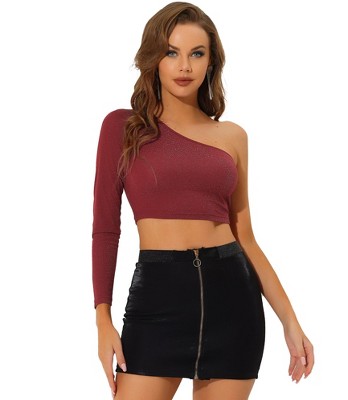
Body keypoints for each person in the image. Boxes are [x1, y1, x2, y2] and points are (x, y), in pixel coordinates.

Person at [92, 2, 314, 399]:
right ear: (154, 58)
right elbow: (106, 230)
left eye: (197, 53)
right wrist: (102, 318)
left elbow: (246, 238)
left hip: (233, 302)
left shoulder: (232, 137)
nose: (184, 66)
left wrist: (290, 320)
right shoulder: (122, 128)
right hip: (157, 300)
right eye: (171, 52)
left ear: (211, 62)